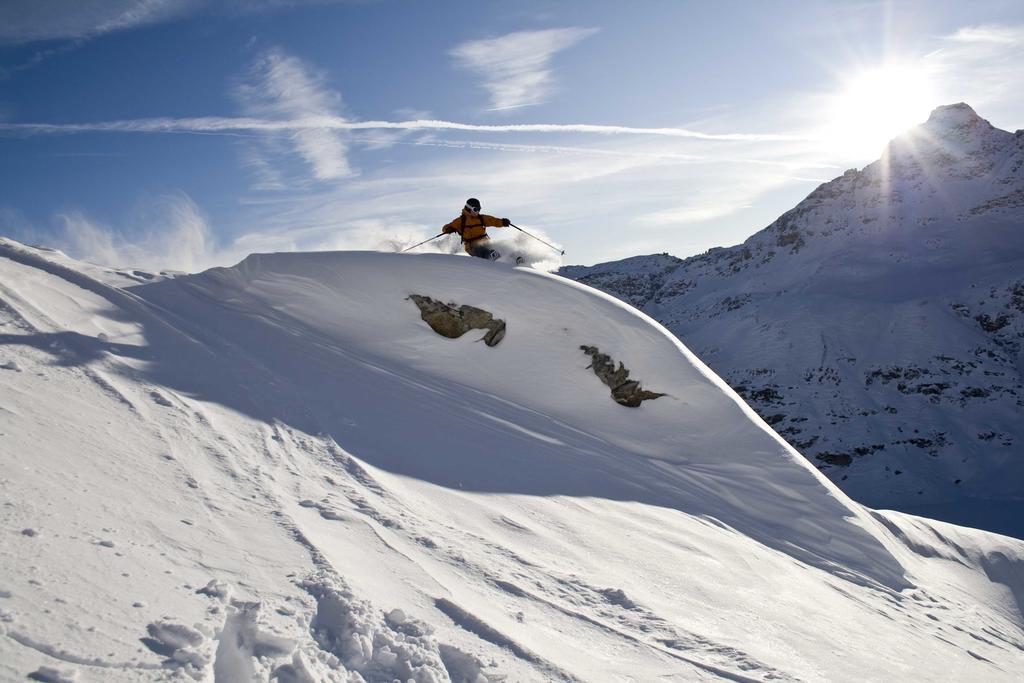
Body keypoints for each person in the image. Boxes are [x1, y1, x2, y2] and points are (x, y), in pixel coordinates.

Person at [442, 198, 512, 260]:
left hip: (485, 242)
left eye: (479, 209)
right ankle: (492, 257)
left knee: (498, 247)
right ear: (469, 209)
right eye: (475, 209)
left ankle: (513, 257)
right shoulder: (461, 221)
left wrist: (503, 222)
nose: (477, 212)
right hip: (472, 247)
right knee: (480, 249)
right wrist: (449, 229)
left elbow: (493, 221)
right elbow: (445, 228)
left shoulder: (481, 218)